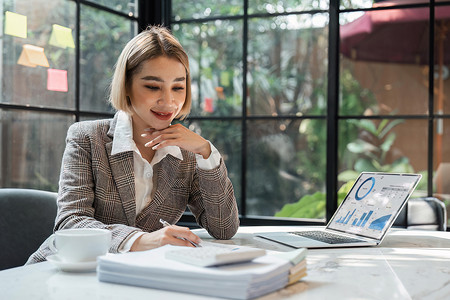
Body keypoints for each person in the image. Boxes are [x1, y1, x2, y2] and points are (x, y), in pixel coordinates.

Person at [27, 26, 239, 263]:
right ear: (126, 86)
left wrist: (206, 152)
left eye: (178, 87)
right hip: (69, 269)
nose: (168, 101)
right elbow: (71, 222)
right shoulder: (87, 138)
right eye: (152, 86)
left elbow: (223, 229)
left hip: (138, 276)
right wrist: (142, 240)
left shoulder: (188, 154)